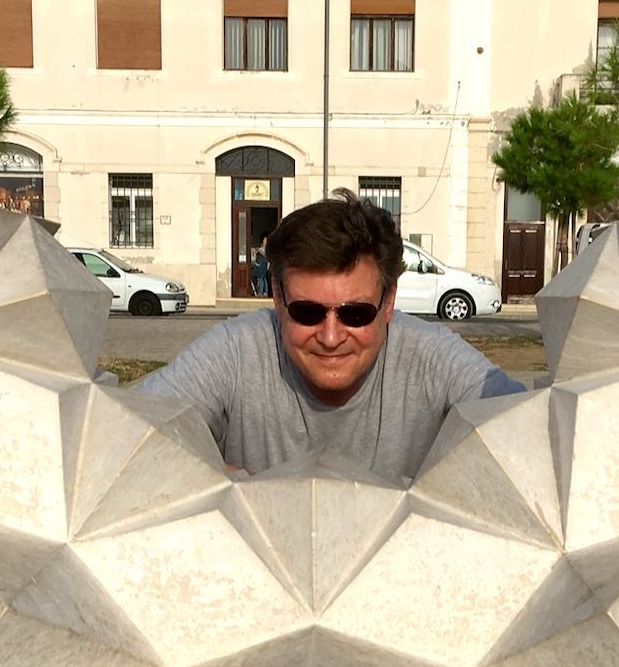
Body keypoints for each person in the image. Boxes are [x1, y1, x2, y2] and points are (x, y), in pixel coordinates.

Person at [139, 189, 526, 482]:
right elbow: (129, 430)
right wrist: (225, 486)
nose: (330, 336)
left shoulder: (433, 357)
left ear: (388, 301)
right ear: (278, 299)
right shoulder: (236, 351)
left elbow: (528, 431)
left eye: (356, 314)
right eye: (307, 312)